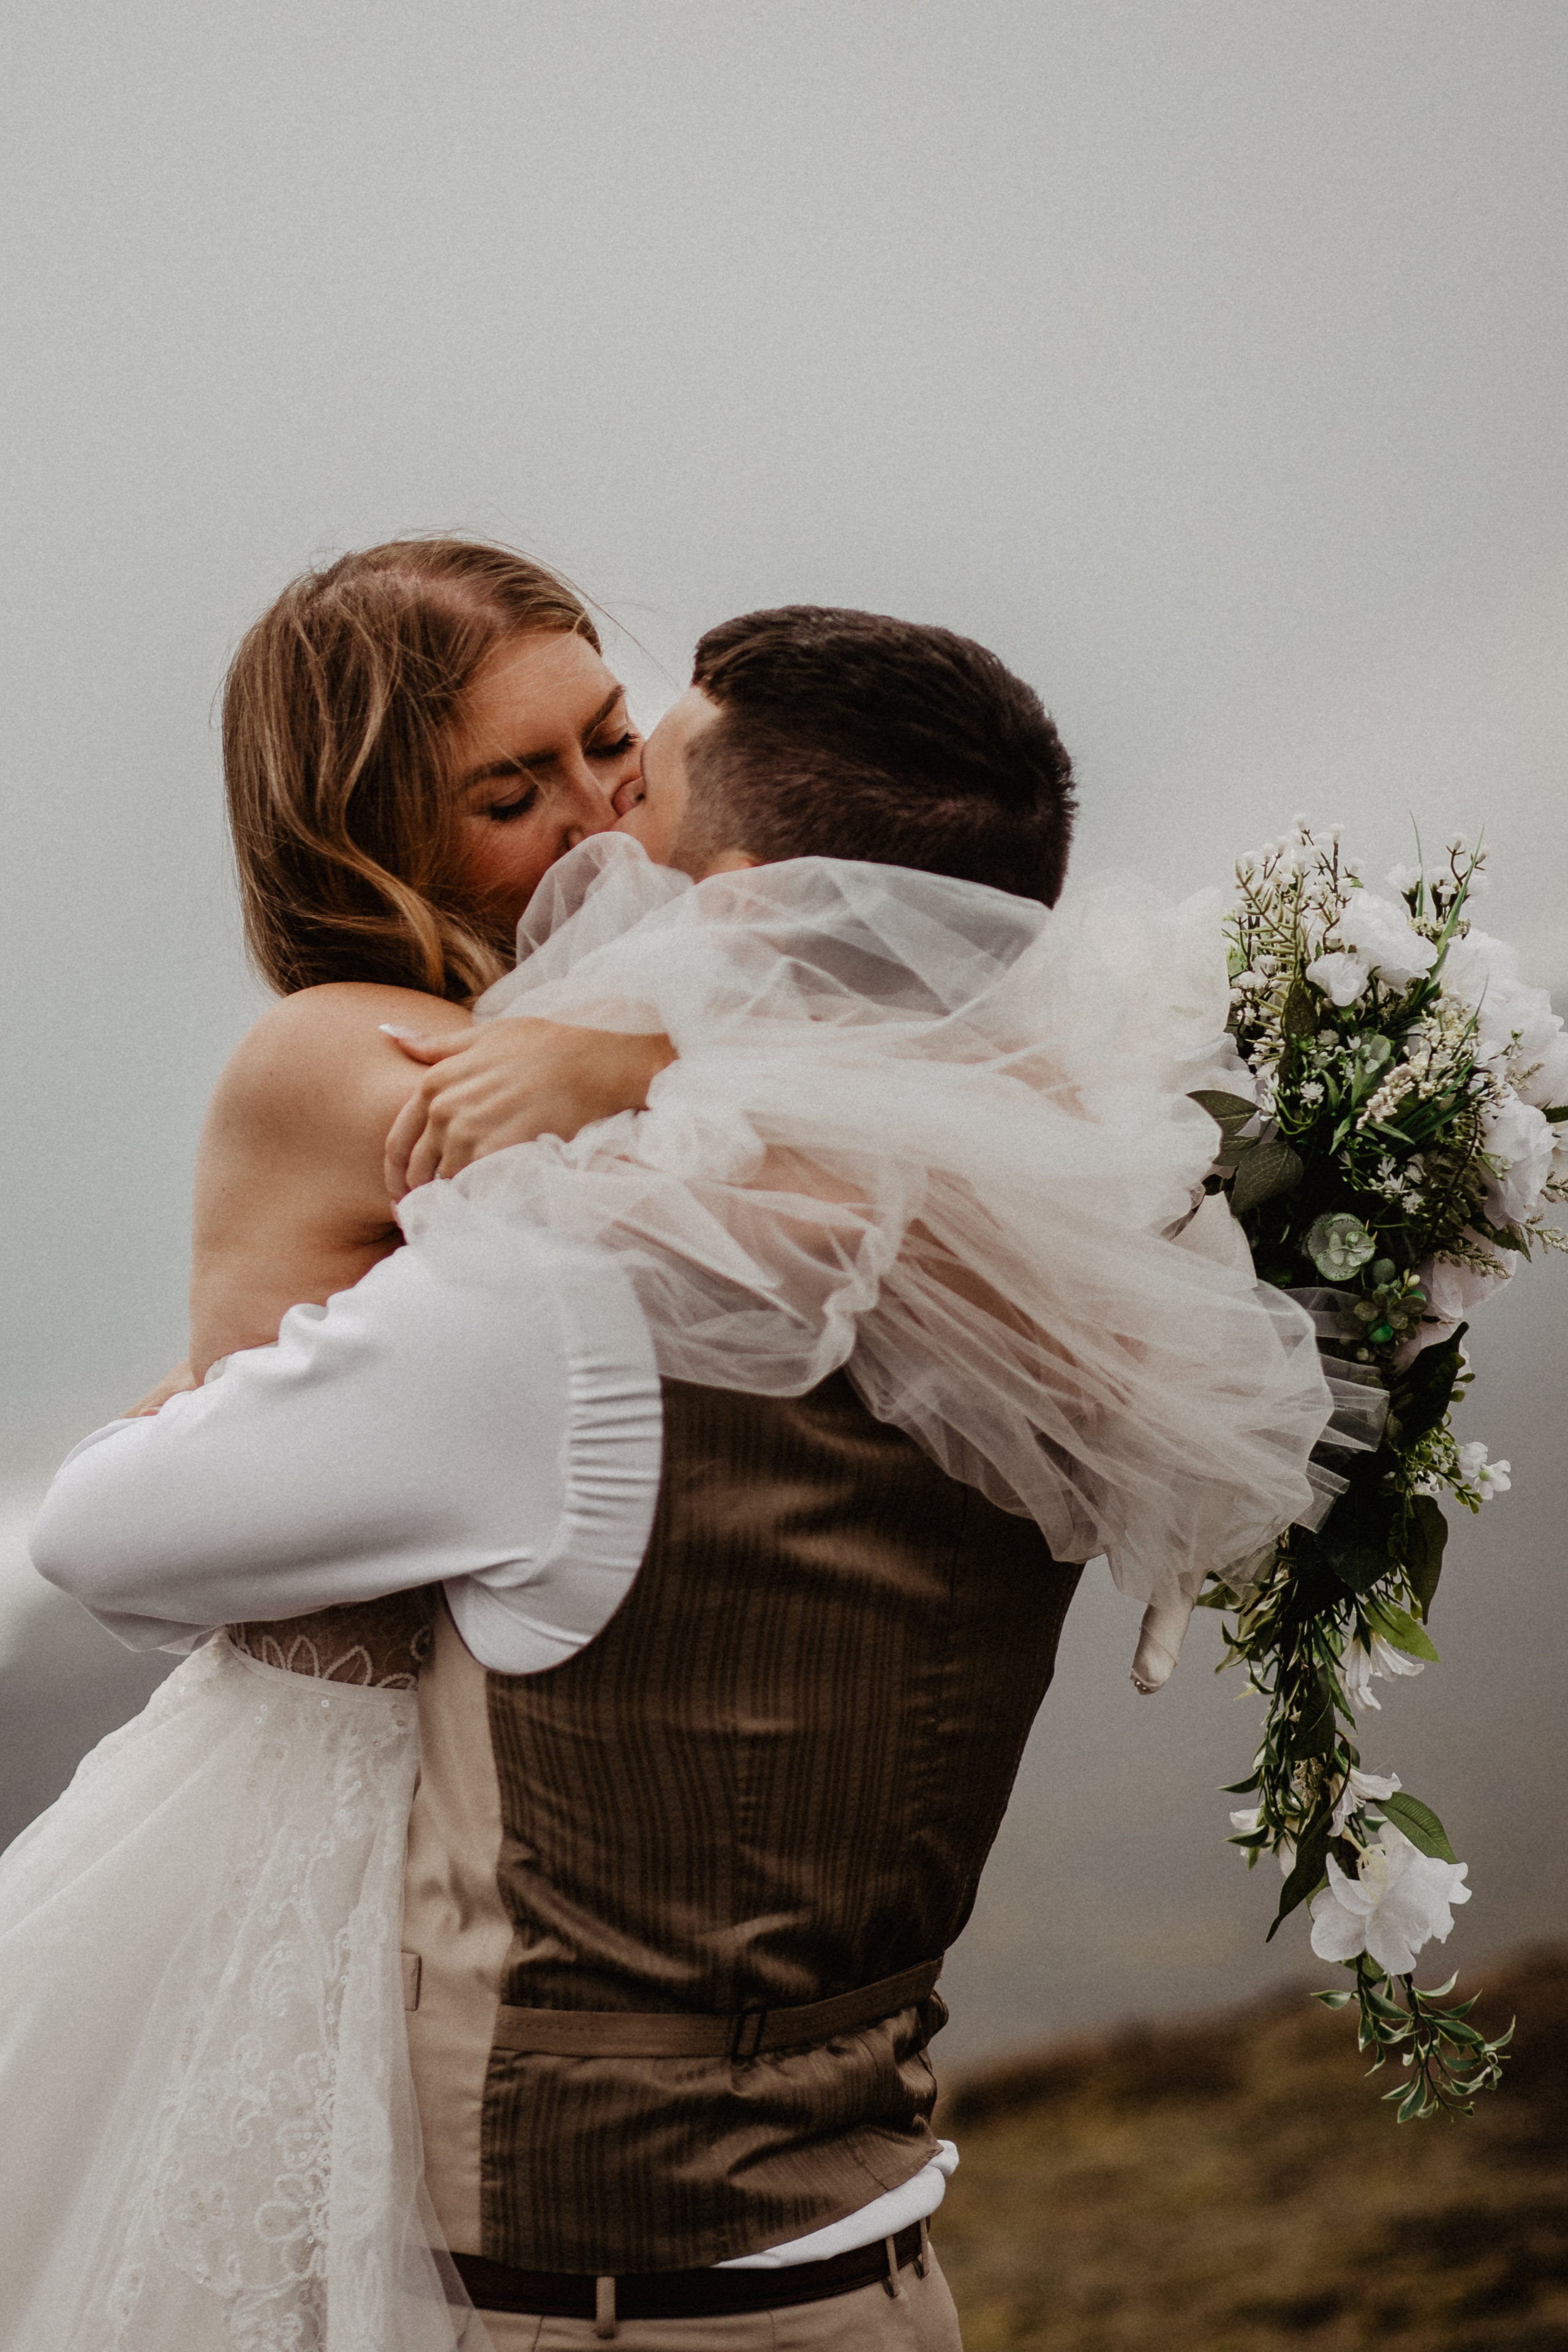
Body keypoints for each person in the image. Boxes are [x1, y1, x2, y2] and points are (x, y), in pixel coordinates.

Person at [26, 584, 1332, 2349]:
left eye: (625, 763)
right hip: (870, 2255)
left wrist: (188, 1400)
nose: (596, 828)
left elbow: (105, 1534)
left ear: (729, 908)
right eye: (524, 792)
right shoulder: (1056, 1249)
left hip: (607, 2294)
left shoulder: (550, 1290)